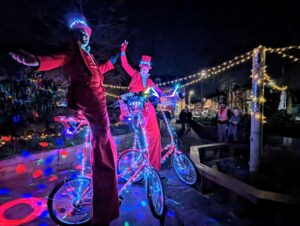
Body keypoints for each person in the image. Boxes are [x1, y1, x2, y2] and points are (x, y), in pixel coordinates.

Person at [10, 14, 119, 226]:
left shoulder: (88, 56)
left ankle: (105, 193)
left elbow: (98, 73)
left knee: (105, 147)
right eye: (80, 34)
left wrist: (114, 61)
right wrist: (36, 61)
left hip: (96, 101)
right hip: (92, 102)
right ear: (75, 36)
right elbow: (58, 58)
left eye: (86, 35)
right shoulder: (73, 52)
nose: (84, 38)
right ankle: (104, 206)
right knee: (104, 152)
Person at [120, 40, 164, 171]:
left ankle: (154, 167)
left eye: (147, 68)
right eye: (143, 67)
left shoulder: (150, 81)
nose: (145, 70)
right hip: (136, 108)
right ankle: (142, 163)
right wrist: (123, 51)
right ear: (140, 67)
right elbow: (125, 64)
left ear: (149, 69)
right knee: (143, 137)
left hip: (148, 109)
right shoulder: (134, 74)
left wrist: (169, 96)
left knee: (156, 136)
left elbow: (159, 91)